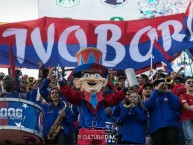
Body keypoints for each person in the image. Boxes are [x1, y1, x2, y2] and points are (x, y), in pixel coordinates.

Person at [59, 47, 128, 145]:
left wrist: (124, 91)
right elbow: (70, 95)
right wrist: (62, 84)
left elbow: (114, 99)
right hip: (85, 130)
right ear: (80, 80)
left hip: (100, 131)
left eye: (96, 75)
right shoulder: (81, 97)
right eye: (87, 75)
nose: (92, 79)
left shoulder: (104, 97)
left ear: (103, 80)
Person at [144, 78, 180, 145]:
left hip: (171, 126)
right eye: (157, 85)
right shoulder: (151, 98)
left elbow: (176, 106)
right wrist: (156, 91)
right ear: (154, 88)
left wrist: (168, 92)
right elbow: (148, 106)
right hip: (156, 129)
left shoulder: (171, 96)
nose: (160, 86)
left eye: (163, 84)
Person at [179, 76, 193, 145]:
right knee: (191, 140)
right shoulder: (183, 95)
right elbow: (186, 106)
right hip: (187, 120)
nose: (191, 83)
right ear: (185, 85)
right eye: (189, 82)